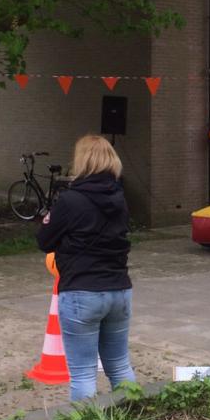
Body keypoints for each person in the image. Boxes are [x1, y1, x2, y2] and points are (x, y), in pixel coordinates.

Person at [36, 134, 135, 401]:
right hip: (119, 290)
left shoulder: (69, 201)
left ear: (82, 161)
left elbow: (44, 241)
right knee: (120, 365)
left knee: (82, 374)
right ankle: (133, 416)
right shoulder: (120, 199)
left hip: (81, 291)